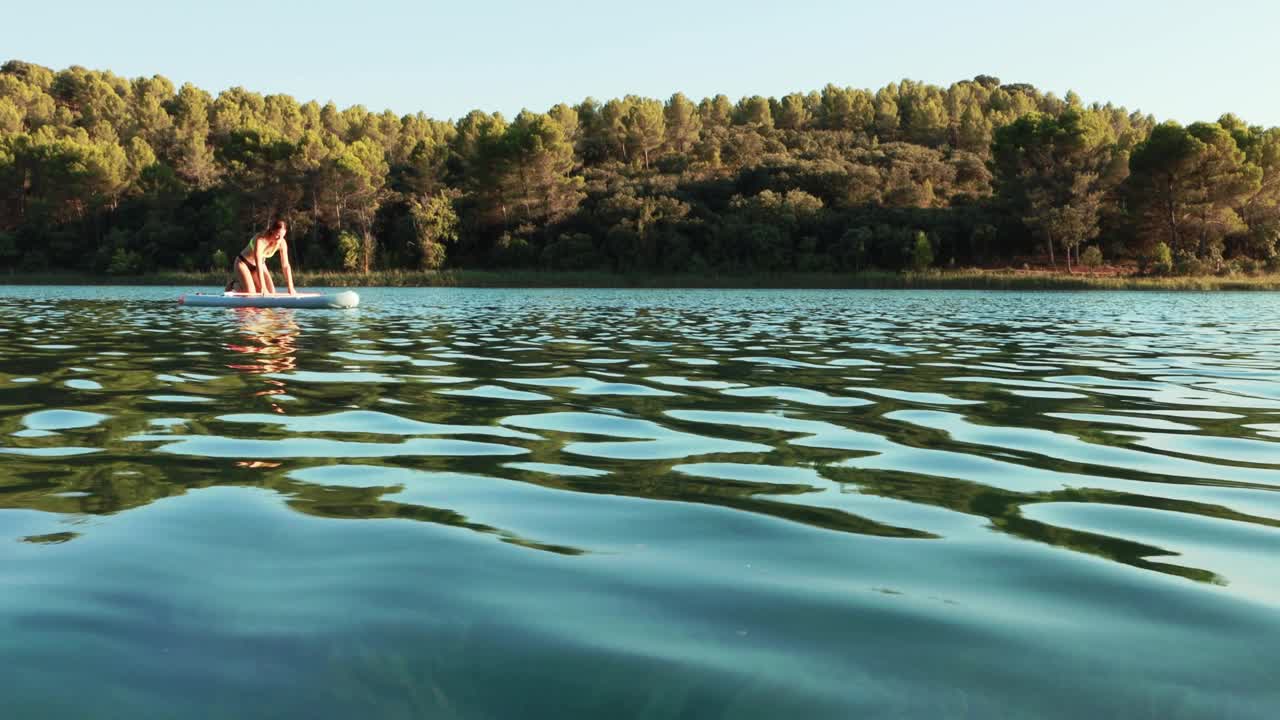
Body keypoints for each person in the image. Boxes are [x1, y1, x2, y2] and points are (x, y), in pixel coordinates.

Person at [226, 220, 296, 295]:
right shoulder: (261, 240)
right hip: (243, 263)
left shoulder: (282, 243)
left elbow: (285, 266)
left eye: (283, 236)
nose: (280, 239)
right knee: (250, 293)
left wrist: (290, 287)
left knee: (272, 292)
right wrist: (263, 287)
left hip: (259, 265)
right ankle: (233, 284)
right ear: (272, 231)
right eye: (278, 235)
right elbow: (258, 262)